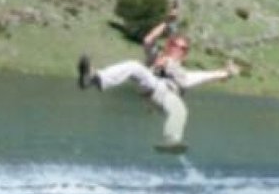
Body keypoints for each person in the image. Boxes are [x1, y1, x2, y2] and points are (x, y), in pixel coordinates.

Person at [77, 33, 238, 149]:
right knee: (134, 66)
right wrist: (167, 23)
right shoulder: (158, 57)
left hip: (168, 94)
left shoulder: (183, 73)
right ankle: (93, 78)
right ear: (169, 46)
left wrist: (227, 73)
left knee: (180, 109)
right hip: (153, 86)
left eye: (183, 48)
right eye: (175, 45)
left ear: (185, 53)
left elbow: (207, 76)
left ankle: (172, 139)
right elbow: (147, 40)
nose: (178, 49)